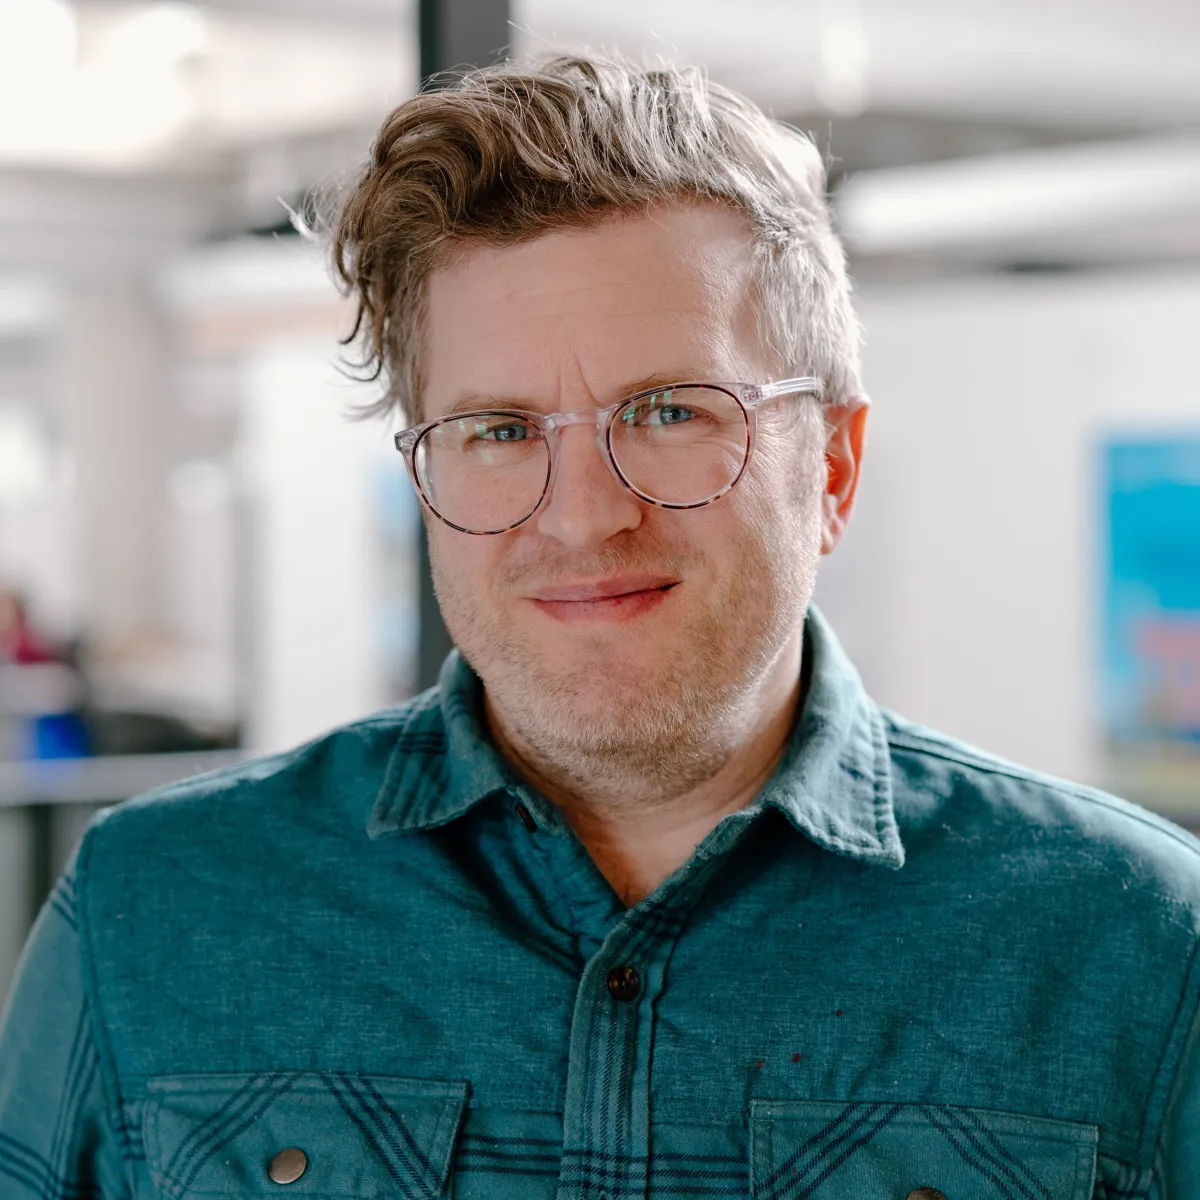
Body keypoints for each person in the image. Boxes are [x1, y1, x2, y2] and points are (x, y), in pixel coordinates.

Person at [2, 50, 1198, 1200]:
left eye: (671, 410)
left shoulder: (1137, 950)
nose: (583, 518)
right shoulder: (154, 915)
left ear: (832, 466)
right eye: (499, 430)